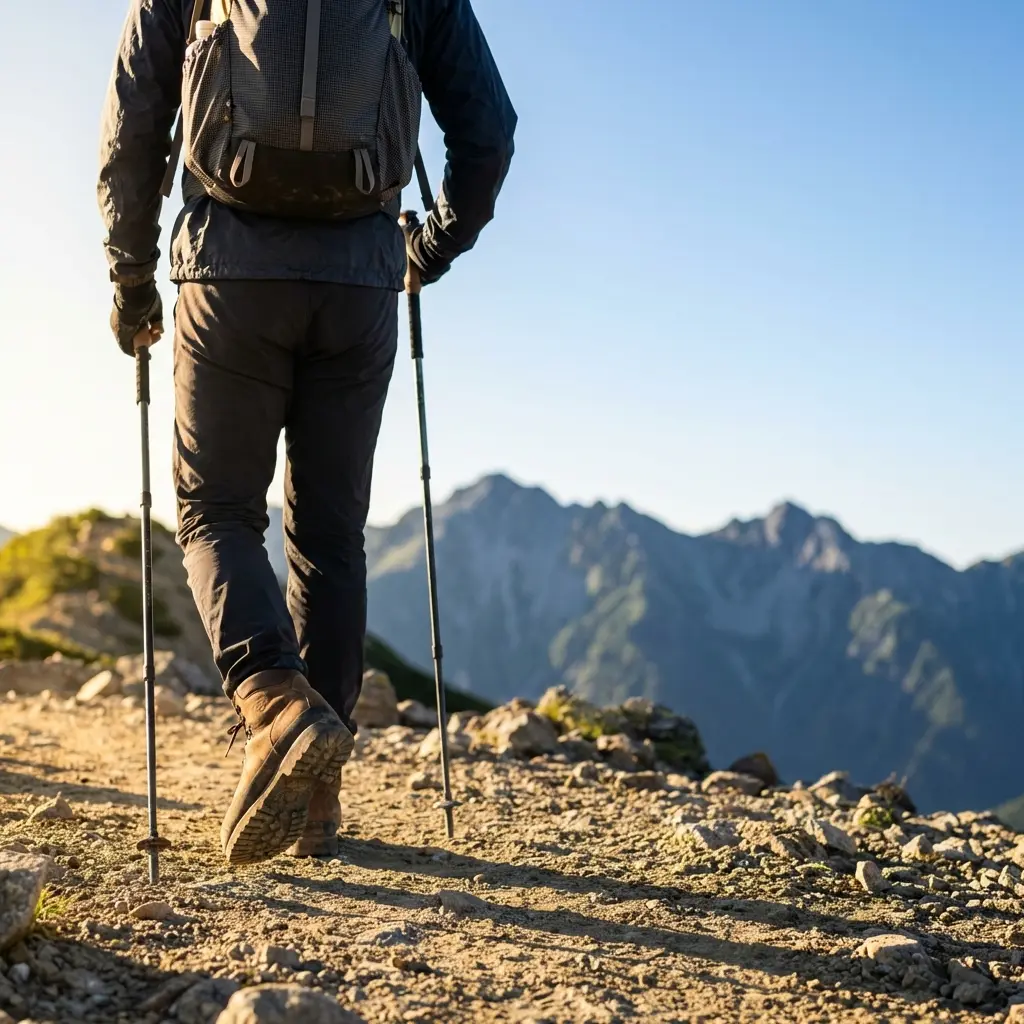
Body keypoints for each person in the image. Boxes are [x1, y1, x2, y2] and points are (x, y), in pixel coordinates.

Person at [98, 0, 515, 865]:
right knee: (328, 534)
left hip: (228, 272)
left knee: (215, 510)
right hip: (360, 284)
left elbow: (135, 124)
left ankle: (275, 702)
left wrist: (133, 280)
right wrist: (425, 252)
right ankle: (317, 801)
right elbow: (489, 132)